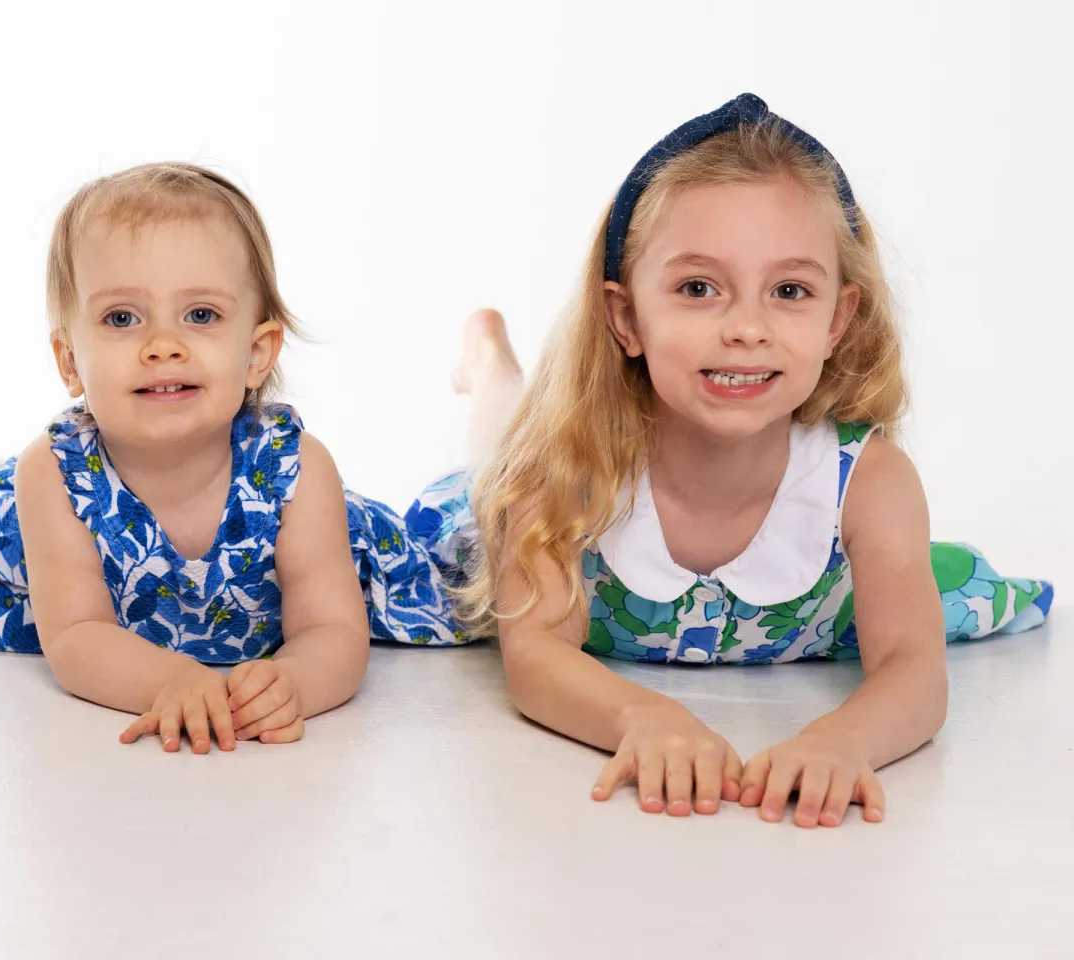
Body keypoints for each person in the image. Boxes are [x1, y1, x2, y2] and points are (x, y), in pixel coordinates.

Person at [416, 94, 1054, 828]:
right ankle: (490, 358)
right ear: (626, 319)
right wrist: (642, 717)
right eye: (697, 288)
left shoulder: (869, 484)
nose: (747, 328)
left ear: (837, 321)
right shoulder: (559, 470)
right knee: (501, 437)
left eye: (789, 291)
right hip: (537, 452)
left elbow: (914, 665)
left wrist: (844, 739)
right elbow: (536, 657)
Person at [0, 163, 471, 753]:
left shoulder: (297, 472)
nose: (163, 345)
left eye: (201, 315)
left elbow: (332, 626)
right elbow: (75, 635)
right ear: (70, 361)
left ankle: (487, 381)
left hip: (336, 531)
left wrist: (296, 680)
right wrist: (168, 678)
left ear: (256, 353)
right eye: (122, 318)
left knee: (474, 547)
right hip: (34, 560)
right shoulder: (51, 475)